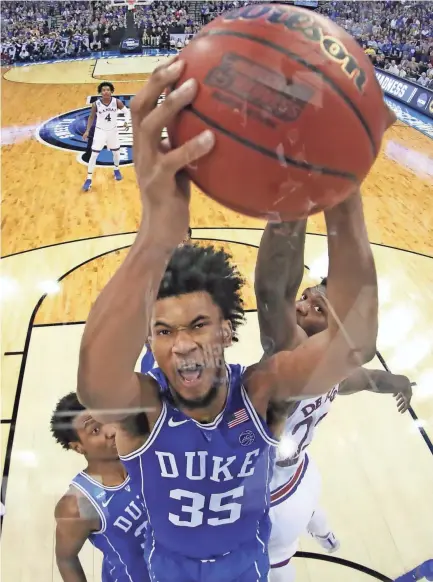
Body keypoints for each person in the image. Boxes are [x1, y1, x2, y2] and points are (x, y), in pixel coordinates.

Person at [77, 58, 381, 582]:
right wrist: (155, 233)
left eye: (198, 325)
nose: (183, 346)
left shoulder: (261, 392)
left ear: (226, 330)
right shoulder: (146, 409)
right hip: (164, 570)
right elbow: (94, 384)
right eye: (164, 332)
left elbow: (354, 342)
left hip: (243, 567)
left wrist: (342, 188)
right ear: (149, 340)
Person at [254, 219, 413, 582]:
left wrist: (293, 207)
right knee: (312, 513)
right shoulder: (336, 375)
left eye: (317, 309)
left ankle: (320, 534)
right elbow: (373, 380)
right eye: (307, 296)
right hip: (302, 474)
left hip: (273, 497)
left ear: (334, 331)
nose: (302, 305)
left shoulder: (294, 361)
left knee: (276, 568)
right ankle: (327, 536)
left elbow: (272, 288)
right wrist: (402, 383)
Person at [51, 393, 149, 582]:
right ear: (78, 447)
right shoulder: (81, 502)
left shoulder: (143, 454)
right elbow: (66, 559)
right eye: (95, 429)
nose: (112, 430)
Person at [82, 82, 131, 192]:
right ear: (100, 92)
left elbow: (127, 112)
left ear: (111, 91)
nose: (106, 91)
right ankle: (89, 179)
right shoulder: (96, 104)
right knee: (94, 154)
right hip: (100, 131)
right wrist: (87, 130)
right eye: (103, 90)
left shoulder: (116, 102)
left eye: (108, 89)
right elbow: (91, 118)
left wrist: (126, 122)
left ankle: (116, 169)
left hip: (113, 131)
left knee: (116, 153)